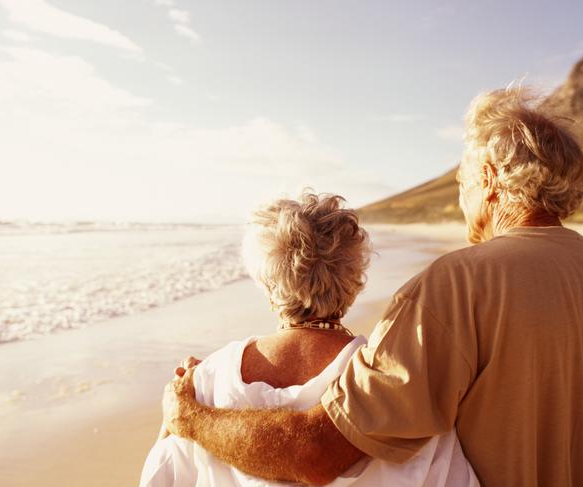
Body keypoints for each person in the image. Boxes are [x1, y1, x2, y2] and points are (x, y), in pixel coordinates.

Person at [162, 86, 583, 487]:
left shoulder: (457, 285)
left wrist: (191, 418)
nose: (461, 198)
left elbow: (318, 452)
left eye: (462, 181)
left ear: (489, 179)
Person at [141, 193, 479, 486]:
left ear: (267, 284)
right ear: (353, 282)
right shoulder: (391, 384)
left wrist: (176, 419)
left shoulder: (202, 383)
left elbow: (163, 475)